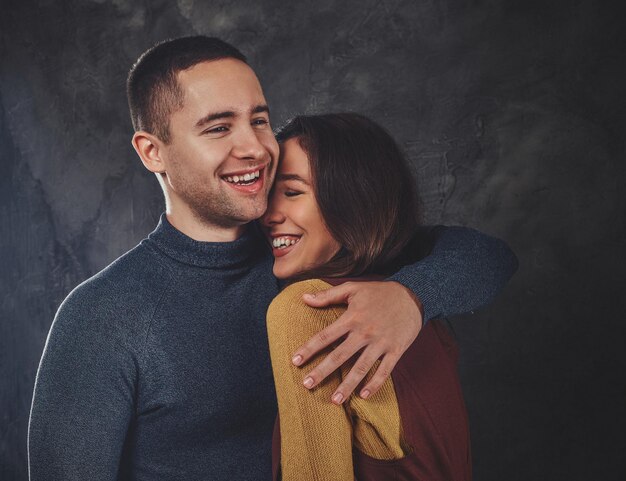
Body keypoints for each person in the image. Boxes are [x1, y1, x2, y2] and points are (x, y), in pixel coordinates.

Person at [28, 36, 518, 480]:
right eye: (219, 128)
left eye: (259, 119)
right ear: (153, 152)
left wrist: (411, 297)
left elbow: (486, 256)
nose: (255, 147)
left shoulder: (312, 248)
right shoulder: (102, 317)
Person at [263, 113, 500, 480]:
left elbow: (490, 255)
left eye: (293, 192)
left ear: (354, 201)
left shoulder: (306, 309)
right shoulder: (423, 314)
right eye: (268, 194)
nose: (268, 214)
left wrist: (413, 294)